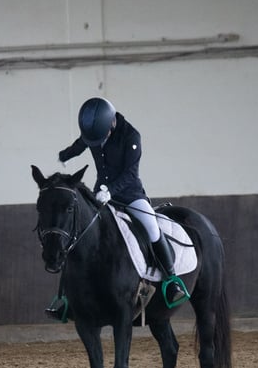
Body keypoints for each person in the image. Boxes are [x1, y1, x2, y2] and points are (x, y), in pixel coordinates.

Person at [55, 97, 188, 308]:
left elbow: (130, 172)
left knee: (152, 229)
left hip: (130, 195)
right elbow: (81, 144)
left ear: (112, 123)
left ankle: (172, 281)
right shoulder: (95, 131)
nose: (96, 144)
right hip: (101, 195)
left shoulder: (131, 136)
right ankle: (65, 297)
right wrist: (65, 155)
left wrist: (111, 191)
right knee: (78, 231)